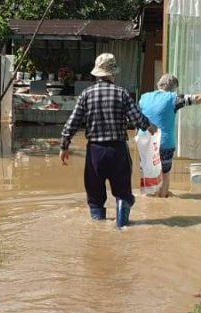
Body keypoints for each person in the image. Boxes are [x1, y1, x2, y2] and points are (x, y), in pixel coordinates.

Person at [59, 53, 157, 229]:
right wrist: (150, 127)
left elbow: (72, 122)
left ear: (97, 73)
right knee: (123, 194)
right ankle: (122, 225)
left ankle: (98, 232)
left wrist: (64, 146)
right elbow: (137, 120)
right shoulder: (122, 93)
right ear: (113, 73)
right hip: (117, 150)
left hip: (95, 152)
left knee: (95, 197)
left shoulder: (86, 95)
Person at [138, 75, 201, 197]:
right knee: (165, 174)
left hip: (145, 142)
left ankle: (148, 204)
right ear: (173, 88)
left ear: (159, 84)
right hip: (164, 143)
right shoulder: (173, 98)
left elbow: (139, 117)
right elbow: (197, 98)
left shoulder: (144, 98)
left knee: (147, 177)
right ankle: (162, 198)